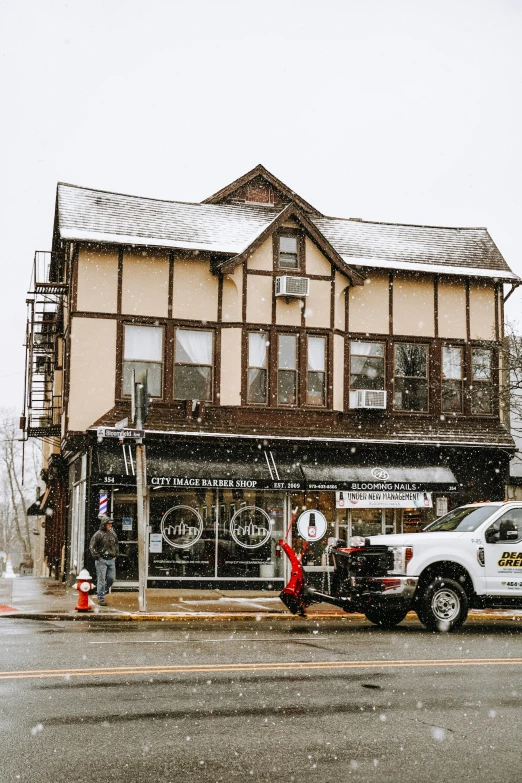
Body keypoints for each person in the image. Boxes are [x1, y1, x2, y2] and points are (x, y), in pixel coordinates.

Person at [89, 515, 119, 605]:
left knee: (111, 578)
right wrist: (97, 556)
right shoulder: (98, 534)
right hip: (101, 559)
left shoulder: (113, 533)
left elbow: (116, 544)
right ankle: (101, 597)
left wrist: (115, 555)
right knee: (101, 579)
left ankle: (101, 592)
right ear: (104, 524)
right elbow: (92, 546)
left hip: (111, 559)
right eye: (108, 524)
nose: (110, 525)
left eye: (110, 524)